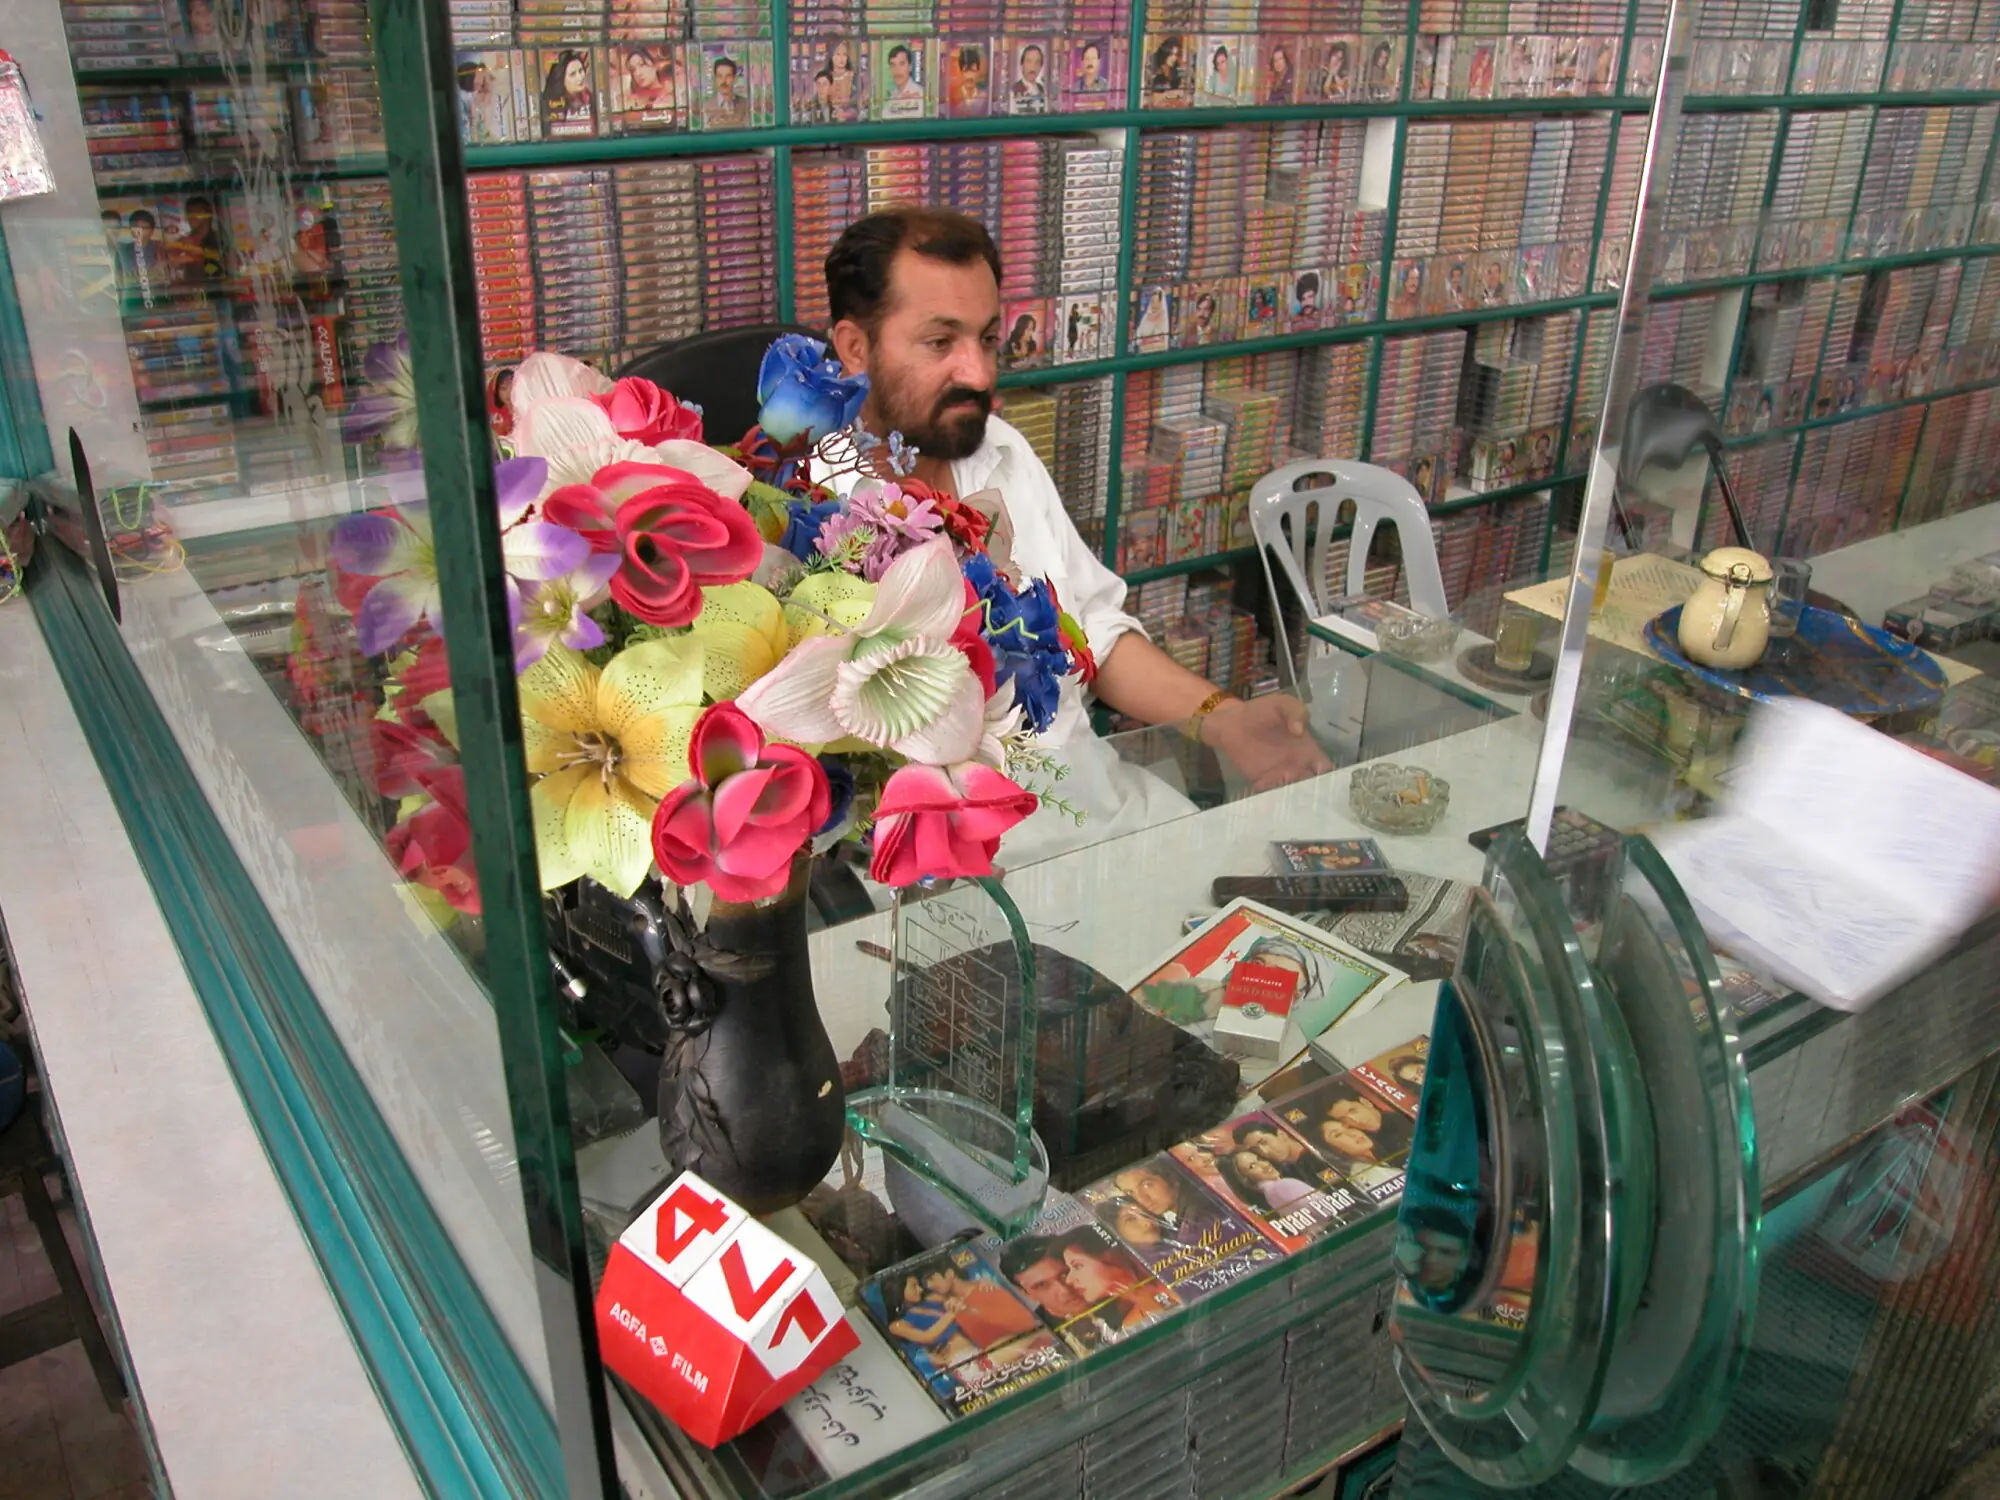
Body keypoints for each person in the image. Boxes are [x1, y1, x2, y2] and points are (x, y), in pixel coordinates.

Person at [820, 210, 1330, 860]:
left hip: (1105, 811)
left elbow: (1093, 631)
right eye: (940, 343)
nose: (978, 374)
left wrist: (1224, 721)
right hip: (950, 873)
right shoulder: (813, 512)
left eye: (988, 338)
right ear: (855, 347)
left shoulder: (1000, 451)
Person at [1219, 1147, 1318, 1212]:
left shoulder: (1271, 1195)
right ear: (1244, 1180)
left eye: (1259, 1159)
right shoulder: (1283, 1185)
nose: (1265, 1165)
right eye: (1252, 1166)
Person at [543, 50, 593, 124]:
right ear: (561, 80)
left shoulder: (590, 97)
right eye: (573, 74)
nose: (580, 77)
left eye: (581, 70)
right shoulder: (554, 105)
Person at [707, 54, 749, 127]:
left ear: (735, 78)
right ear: (715, 79)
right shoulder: (706, 107)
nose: (723, 81)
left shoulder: (745, 104)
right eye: (720, 76)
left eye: (728, 76)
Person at [1011, 42, 1047, 108]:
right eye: (1028, 61)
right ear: (1022, 65)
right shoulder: (1014, 90)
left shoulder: (1042, 89)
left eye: (1037, 62)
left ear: (1041, 67)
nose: (1032, 67)